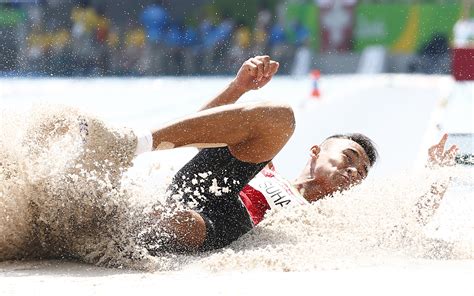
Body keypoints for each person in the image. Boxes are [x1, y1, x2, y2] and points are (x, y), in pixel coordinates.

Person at [135, 55, 379, 253]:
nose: (354, 170)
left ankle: (132, 223)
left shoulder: (322, 220)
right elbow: (203, 135)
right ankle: (137, 142)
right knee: (281, 117)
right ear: (315, 152)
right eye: (349, 158)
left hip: (228, 226)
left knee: (215, 221)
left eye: (362, 172)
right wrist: (238, 87)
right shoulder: (266, 168)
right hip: (204, 190)